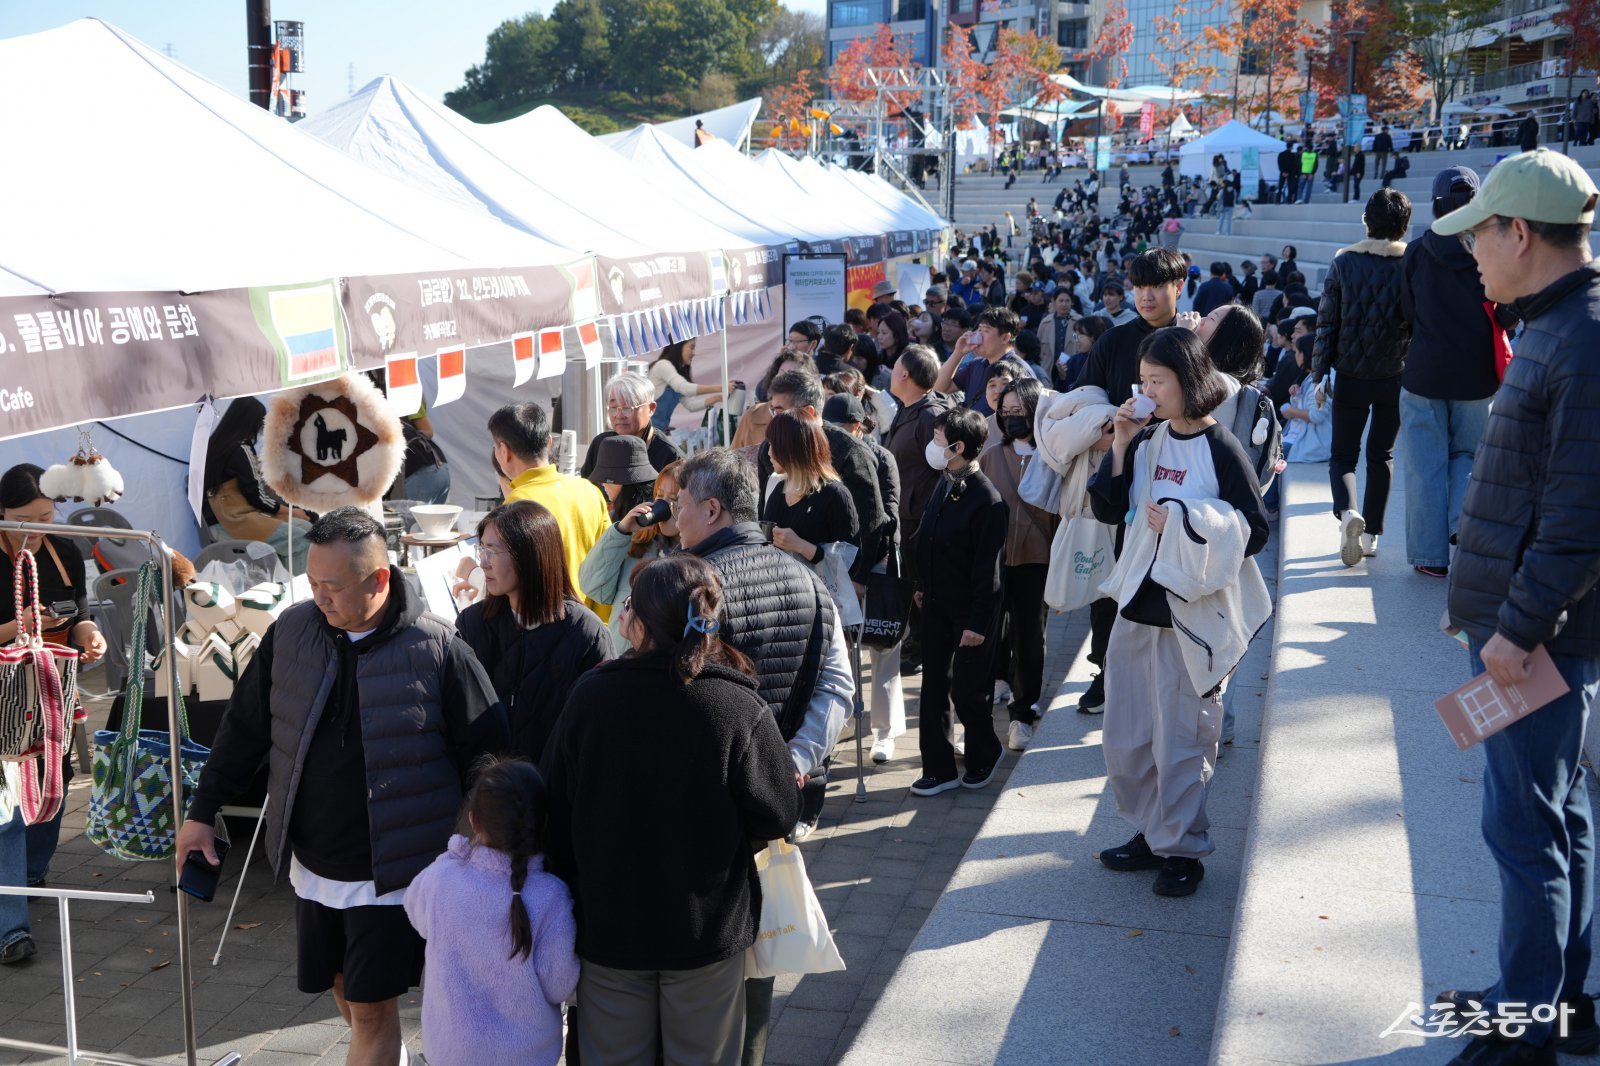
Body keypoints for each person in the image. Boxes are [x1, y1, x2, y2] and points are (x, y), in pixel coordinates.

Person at [177, 507, 507, 1066]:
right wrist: (202, 810)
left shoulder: (438, 649)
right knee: (341, 989)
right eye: (311, 582)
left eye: (333, 585)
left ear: (379, 580)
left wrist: (482, 850)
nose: (320, 596)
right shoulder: (292, 630)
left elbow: (490, 753)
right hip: (313, 863)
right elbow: (244, 729)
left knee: (372, 1009)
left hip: (396, 871)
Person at [1430, 147, 1600, 1066]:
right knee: (1554, 818)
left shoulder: (1580, 335)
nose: (1471, 255)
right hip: (1529, 631)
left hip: (1537, 637)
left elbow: (1579, 516)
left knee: (1523, 827)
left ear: (1520, 234)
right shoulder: (1557, 322)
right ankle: (1551, 1001)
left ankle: (1525, 1033)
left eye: (1479, 236)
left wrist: (1516, 630)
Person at [542, 554, 801, 1066]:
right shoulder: (735, 704)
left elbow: (555, 804)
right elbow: (778, 813)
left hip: (610, 929)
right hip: (705, 930)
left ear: (636, 621)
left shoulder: (592, 696)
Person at [671, 449, 851, 1065]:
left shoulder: (695, 587)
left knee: (709, 951)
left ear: (712, 508)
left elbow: (676, 696)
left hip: (704, 802)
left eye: (680, 504)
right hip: (782, 801)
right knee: (762, 942)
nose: (673, 515)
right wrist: (795, 763)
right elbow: (837, 687)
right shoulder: (806, 577)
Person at [1089, 328, 1269, 898]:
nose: (1146, 390)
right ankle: (1150, 832)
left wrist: (1191, 521)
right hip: (1137, 606)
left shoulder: (1222, 448)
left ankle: (1183, 852)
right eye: (1142, 381)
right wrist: (1119, 443)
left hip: (1190, 619)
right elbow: (1108, 506)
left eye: (1156, 381)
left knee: (1183, 742)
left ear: (1188, 382)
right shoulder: (1147, 439)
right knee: (1128, 735)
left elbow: (1254, 530)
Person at [0, 464, 109, 965]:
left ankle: (32, 872)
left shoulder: (63, 550)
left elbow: (81, 609)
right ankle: (11, 929)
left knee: (55, 781)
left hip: (52, 687)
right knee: (8, 807)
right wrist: (16, 626)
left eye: (46, 514)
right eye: (23, 518)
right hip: (5, 695)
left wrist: (87, 634)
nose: (35, 527)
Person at [403, 758, 578, 1066]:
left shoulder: (442, 879)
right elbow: (560, 984)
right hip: (527, 1057)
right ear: (543, 824)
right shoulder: (551, 896)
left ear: (474, 820)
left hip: (451, 1054)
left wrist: (456, 852)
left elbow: (413, 907)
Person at [1398, 166, 1499, 580]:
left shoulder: (1417, 252)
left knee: (1424, 466)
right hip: (1477, 373)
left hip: (1424, 371)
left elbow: (1405, 311)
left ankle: (1429, 555)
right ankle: (1462, 525)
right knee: (1469, 456)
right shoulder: (1489, 249)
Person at [457, 501, 612, 766]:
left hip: (557, 796)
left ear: (529, 555)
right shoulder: (472, 624)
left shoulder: (586, 633)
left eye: (492, 551)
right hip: (485, 794)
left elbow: (601, 731)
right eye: (481, 548)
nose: (482, 562)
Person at [1312, 188, 1414, 567]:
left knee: (1343, 455)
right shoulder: (1410, 263)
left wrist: (1319, 372)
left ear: (1367, 221)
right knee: (1381, 454)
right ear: (1405, 225)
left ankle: (1348, 511)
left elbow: (1326, 323)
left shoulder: (1344, 262)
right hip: (1396, 373)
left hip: (1351, 373)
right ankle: (1371, 537)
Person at [910, 405, 1008, 796]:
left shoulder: (988, 498)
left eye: (938, 438)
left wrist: (978, 623)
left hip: (970, 609)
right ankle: (939, 767)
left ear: (958, 445)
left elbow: (989, 571)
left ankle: (985, 751)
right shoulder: (945, 480)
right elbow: (928, 535)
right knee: (933, 685)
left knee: (966, 689)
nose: (933, 445)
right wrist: (921, 583)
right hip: (934, 601)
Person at [822, 393, 905, 762]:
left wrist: (864, 572)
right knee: (842, 649)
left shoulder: (881, 456)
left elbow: (887, 516)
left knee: (883, 648)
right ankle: (849, 718)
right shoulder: (822, 456)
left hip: (877, 563)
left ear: (858, 425)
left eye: (841, 428)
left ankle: (884, 733)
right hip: (834, 564)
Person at [979, 378, 1058, 751]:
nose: (1010, 418)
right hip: (994, 561)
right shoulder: (991, 455)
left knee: (1029, 638)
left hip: (1037, 561)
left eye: (1018, 411)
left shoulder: (1053, 457)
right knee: (988, 633)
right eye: (1005, 411)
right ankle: (984, 705)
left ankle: (1022, 714)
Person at [757, 369, 887, 588]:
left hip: (830, 589)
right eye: (773, 411)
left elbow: (870, 517)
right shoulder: (771, 457)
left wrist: (858, 578)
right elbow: (764, 518)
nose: (774, 419)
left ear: (807, 413)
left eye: (779, 410)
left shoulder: (850, 451)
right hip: (782, 587)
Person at [491, 402, 612, 612]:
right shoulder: (588, 489)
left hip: (545, 624)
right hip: (594, 623)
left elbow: (506, 580)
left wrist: (471, 571)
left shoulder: (516, 506)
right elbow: (610, 559)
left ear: (503, 450)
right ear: (548, 442)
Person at [580, 460, 683, 652]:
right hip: (621, 663)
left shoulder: (695, 561)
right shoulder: (640, 547)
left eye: (674, 499)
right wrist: (621, 531)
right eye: (659, 496)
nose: (665, 505)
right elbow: (593, 587)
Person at [202, 396, 311, 570]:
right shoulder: (240, 449)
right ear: (251, 424)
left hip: (217, 523)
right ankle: (298, 592)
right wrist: (292, 512)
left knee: (306, 529)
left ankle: (283, 581)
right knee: (301, 540)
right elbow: (257, 498)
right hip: (234, 520)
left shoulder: (213, 446)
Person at [579, 371, 684, 482]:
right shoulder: (601, 444)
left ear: (651, 408)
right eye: (614, 407)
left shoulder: (670, 455)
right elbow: (586, 489)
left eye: (627, 408)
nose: (619, 416)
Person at [732, 348, 816, 450]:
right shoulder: (753, 414)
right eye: (781, 373)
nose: (784, 379)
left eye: (792, 375)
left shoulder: (810, 418)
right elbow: (734, 457)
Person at [650, 338, 728, 432]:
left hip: (658, 431)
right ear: (678, 347)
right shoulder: (662, 365)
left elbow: (691, 405)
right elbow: (685, 388)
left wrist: (717, 398)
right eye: (691, 347)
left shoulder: (677, 375)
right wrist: (722, 387)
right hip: (646, 431)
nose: (694, 353)